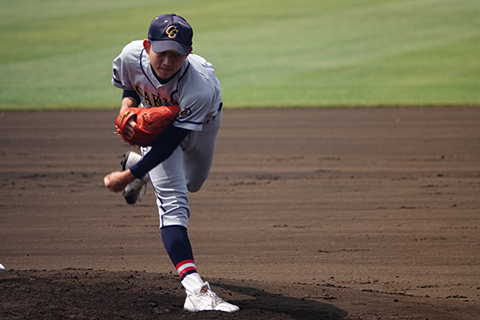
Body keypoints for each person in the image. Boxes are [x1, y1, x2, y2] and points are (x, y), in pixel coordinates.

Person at [103, 13, 239, 313]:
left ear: (188, 53)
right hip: (158, 127)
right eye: (161, 52)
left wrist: (129, 174)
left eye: (175, 55)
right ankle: (195, 290)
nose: (166, 61)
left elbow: (171, 143)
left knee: (194, 182)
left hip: (202, 123)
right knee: (175, 203)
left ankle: (140, 167)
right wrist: (127, 109)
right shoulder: (129, 56)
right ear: (147, 44)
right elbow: (130, 86)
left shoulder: (199, 87)